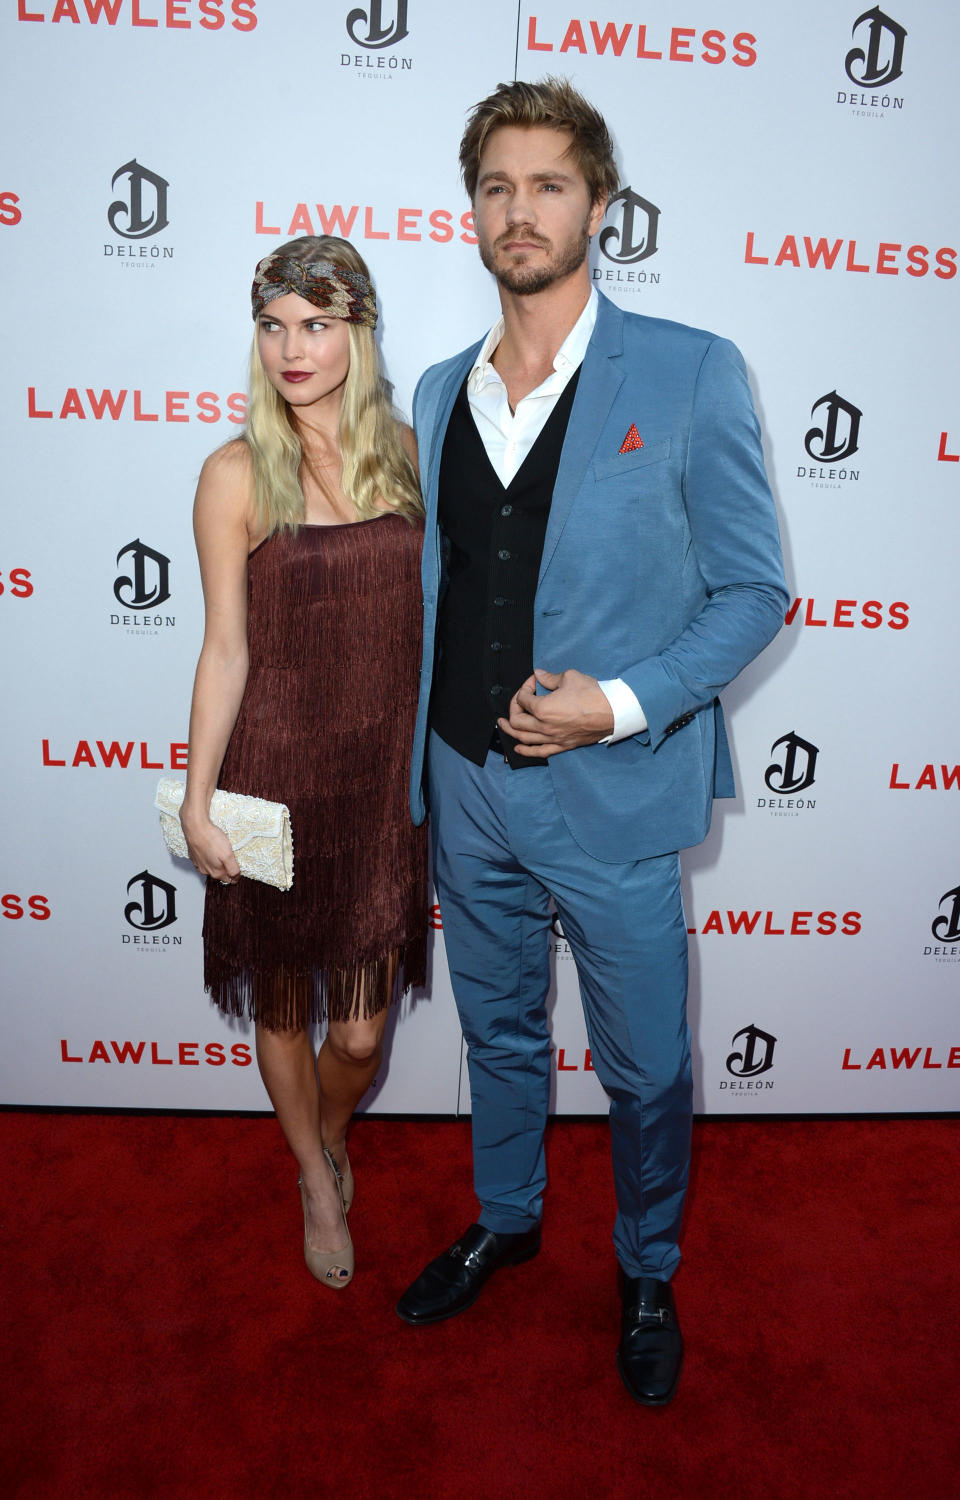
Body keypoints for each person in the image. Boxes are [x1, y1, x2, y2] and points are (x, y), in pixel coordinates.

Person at [395, 79, 787, 1403]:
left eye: (549, 184)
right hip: (464, 784)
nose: (521, 209)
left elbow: (753, 593)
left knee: (649, 1064)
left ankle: (646, 1264)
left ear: (598, 207)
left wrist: (614, 703)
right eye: (496, 186)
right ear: (473, 212)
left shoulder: (689, 369)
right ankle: (508, 1221)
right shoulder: (440, 388)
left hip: (612, 793)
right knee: (498, 1032)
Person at [181, 235, 427, 1291]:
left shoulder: (411, 456)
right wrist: (200, 804)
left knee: (362, 1033)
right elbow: (225, 648)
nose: (293, 348)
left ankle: (327, 1131)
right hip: (273, 775)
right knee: (284, 1002)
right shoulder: (235, 472)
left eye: (317, 324)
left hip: (380, 787)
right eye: (274, 325)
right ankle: (315, 1177)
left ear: (357, 333)